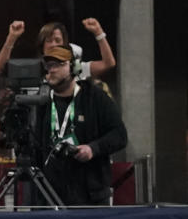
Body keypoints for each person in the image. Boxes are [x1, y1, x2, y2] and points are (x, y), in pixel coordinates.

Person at [35, 45, 127, 205]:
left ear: (74, 67)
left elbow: (119, 135)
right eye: (49, 66)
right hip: (50, 194)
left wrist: (93, 149)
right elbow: (33, 144)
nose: (52, 70)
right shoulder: (42, 101)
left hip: (90, 194)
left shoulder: (95, 97)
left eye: (58, 64)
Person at [0, 19, 117, 81]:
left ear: (65, 44)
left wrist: (98, 33)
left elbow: (108, 64)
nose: (53, 45)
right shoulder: (35, 68)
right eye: (48, 40)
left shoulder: (75, 69)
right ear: (42, 45)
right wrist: (12, 37)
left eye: (57, 40)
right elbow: (0, 68)